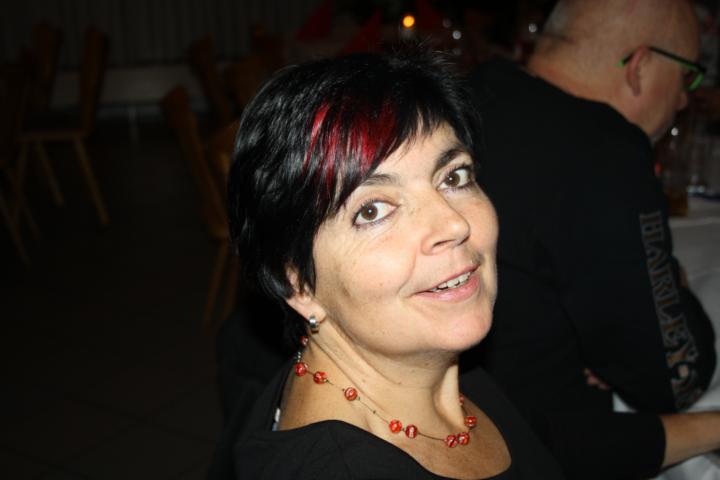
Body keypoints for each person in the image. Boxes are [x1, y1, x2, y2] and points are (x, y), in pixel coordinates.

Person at [207, 49, 565, 479]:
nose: (453, 224)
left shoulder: (424, 362)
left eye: (453, 177)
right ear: (298, 283)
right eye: (373, 210)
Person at [464, 0, 720, 478]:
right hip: (535, 453)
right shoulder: (604, 153)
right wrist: (677, 285)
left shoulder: (472, 91)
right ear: (640, 66)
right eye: (687, 76)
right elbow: (675, 377)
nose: (685, 99)